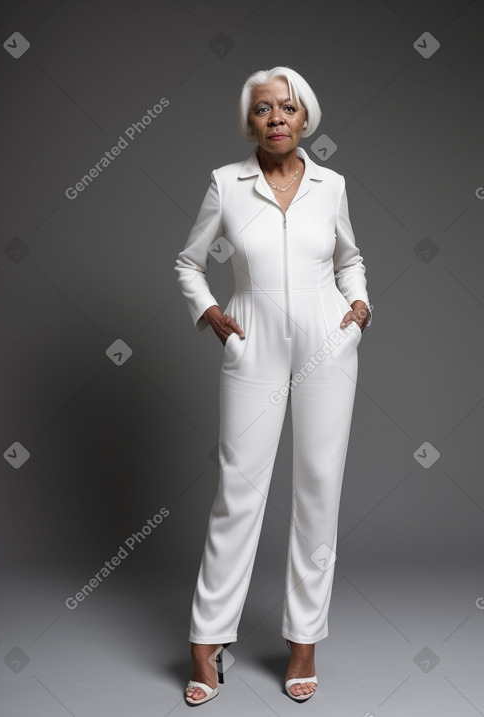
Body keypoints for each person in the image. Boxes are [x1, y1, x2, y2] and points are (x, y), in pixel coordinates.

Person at [174, 65, 372, 706]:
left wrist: (359, 304)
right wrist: (208, 312)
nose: (277, 119)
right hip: (251, 338)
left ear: (304, 118)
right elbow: (188, 262)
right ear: (250, 121)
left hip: (327, 340)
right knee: (240, 490)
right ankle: (207, 640)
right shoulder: (225, 185)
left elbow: (349, 258)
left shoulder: (331, 185)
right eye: (264, 110)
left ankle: (304, 640)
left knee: (319, 486)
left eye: (287, 109)